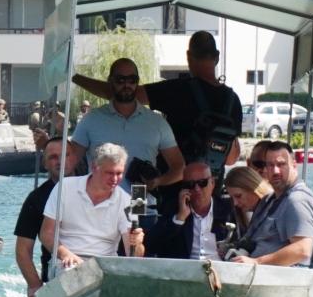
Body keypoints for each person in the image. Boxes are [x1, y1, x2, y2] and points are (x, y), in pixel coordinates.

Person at [73, 31, 243, 188]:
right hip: (209, 187)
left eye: (132, 79)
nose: (127, 83)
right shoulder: (232, 100)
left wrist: (74, 77)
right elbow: (231, 158)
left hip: (176, 189)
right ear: (217, 57)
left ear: (189, 57)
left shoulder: (177, 90)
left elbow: (123, 93)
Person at [64, 58, 185, 194]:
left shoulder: (157, 122)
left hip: (138, 199)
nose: (126, 84)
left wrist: (158, 181)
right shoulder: (91, 119)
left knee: (139, 205)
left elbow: (180, 168)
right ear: (110, 81)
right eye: (120, 80)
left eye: (132, 80)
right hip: (100, 201)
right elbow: (68, 163)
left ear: (137, 81)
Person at [40, 143, 145, 270]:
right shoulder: (64, 187)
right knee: (72, 271)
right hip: (66, 261)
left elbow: (133, 256)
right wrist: (66, 255)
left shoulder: (128, 200)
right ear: (94, 168)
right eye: (109, 173)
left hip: (105, 265)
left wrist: (137, 243)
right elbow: (46, 233)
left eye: (119, 173)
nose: (115, 179)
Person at [232, 141, 313, 267]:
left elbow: (302, 249)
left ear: (294, 165)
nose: (275, 171)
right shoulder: (269, 200)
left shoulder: (296, 200)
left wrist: (256, 262)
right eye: (270, 165)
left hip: (281, 277)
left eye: (281, 164)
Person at [14, 135, 70, 297]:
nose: (60, 161)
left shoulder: (95, 190)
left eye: (65, 155)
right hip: (55, 274)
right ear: (45, 164)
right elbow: (23, 249)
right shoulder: (36, 199)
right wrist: (34, 285)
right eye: (53, 157)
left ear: (75, 158)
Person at [147, 161, 236, 259]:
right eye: (190, 184)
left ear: (212, 183)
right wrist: (179, 219)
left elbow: (242, 243)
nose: (197, 189)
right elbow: (151, 246)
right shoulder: (174, 208)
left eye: (202, 183)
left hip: (218, 266)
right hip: (185, 267)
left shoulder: (228, 208)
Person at [223, 165, 273, 233]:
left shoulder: (278, 209)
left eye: (238, 196)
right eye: (232, 198)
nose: (235, 203)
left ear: (253, 188)